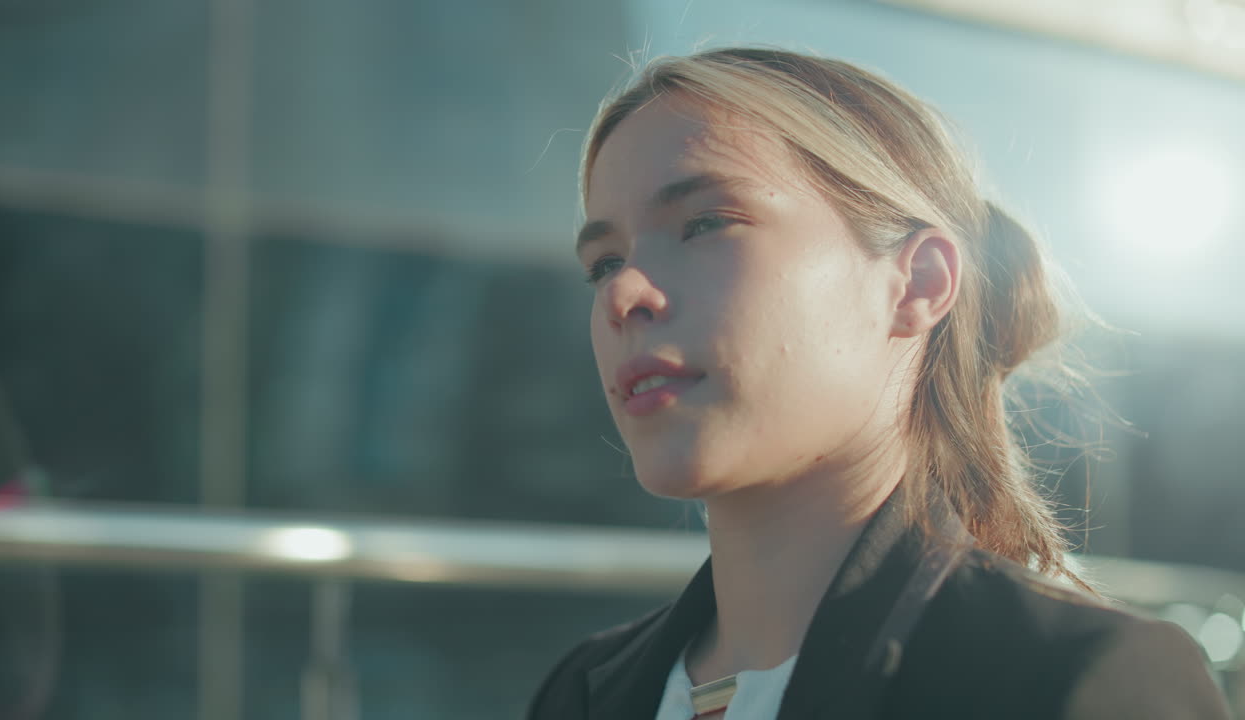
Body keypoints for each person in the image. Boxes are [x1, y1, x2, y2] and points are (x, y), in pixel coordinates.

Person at [526, 48, 1231, 719]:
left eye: (705, 223)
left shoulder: (1071, 679)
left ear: (918, 283)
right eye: (604, 263)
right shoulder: (580, 694)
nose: (623, 294)